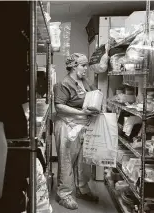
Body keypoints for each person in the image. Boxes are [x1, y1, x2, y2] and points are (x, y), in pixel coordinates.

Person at [53, 53, 99, 210]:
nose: (86, 68)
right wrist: (82, 113)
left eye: (86, 65)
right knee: (67, 160)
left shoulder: (85, 82)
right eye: (83, 65)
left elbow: (92, 95)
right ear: (73, 66)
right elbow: (59, 106)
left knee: (82, 160)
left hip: (82, 124)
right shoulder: (63, 84)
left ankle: (82, 189)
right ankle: (64, 195)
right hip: (67, 125)